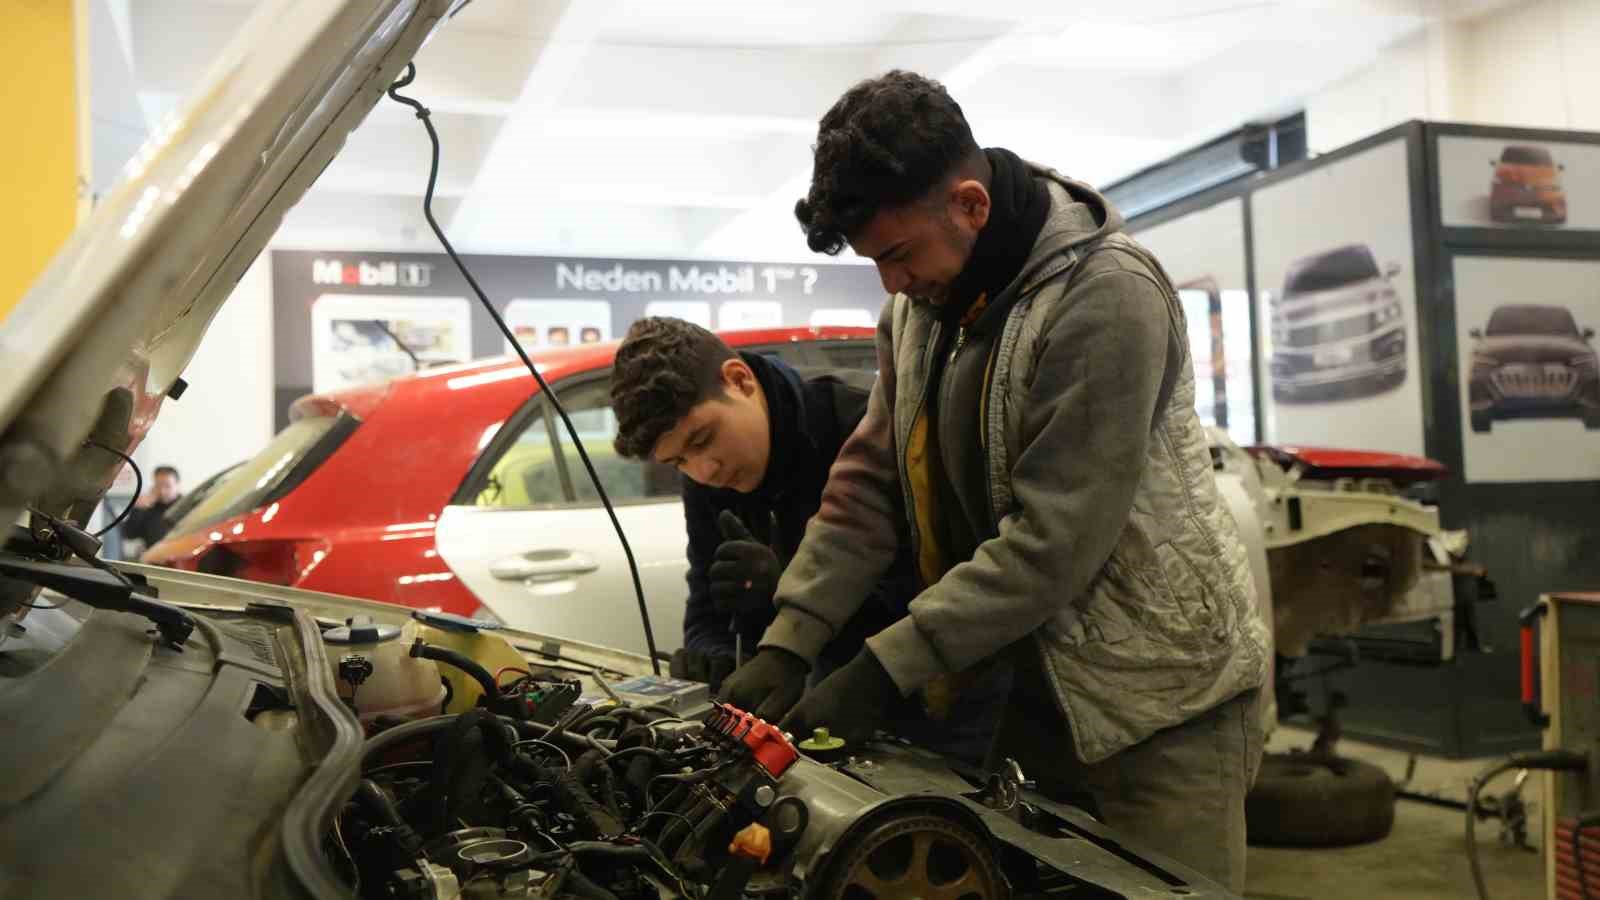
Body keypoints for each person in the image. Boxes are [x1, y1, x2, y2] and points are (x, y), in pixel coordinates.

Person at [717, 70, 1270, 890]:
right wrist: (790, 638)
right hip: (1032, 693)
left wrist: (878, 667)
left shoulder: (1107, 295)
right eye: (876, 263)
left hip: (1161, 706)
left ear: (970, 205)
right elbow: (872, 479)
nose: (891, 283)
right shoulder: (920, 307)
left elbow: (1053, 542)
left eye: (897, 254)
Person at [609, 316, 1007, 765]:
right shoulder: (708, 479)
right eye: (679, 460)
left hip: (942, 694)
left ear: (739, 380)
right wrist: (712, 657)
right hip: (827, 699)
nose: (705, 470)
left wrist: (784, 587)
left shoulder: (863, 428)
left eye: (703, 440)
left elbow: (939, 586)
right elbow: (706, 602)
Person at [121, 465, 183, 552]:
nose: (162, 491)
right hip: (152, 561)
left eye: (167, 486)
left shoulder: (187, 507)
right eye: (158, 485)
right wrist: (138, 509)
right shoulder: (148, 507)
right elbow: (128, 534)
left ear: (177, 485)